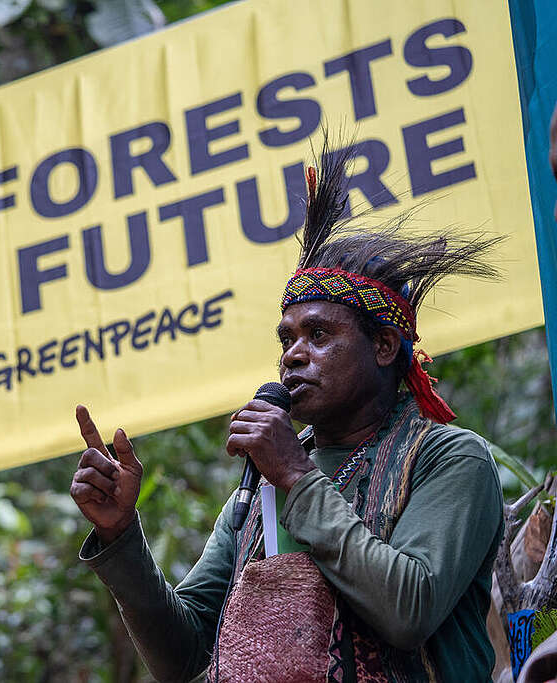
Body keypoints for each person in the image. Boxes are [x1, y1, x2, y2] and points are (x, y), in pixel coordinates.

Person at [70, 148, 506, 681]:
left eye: (319, 335)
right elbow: (184, 659)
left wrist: (295, 475)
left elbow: (407, 610)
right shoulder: (256, 493)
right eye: (287, 338)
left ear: (386, 345)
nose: (292, 355)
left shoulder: (449, 458)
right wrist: (121, 539)